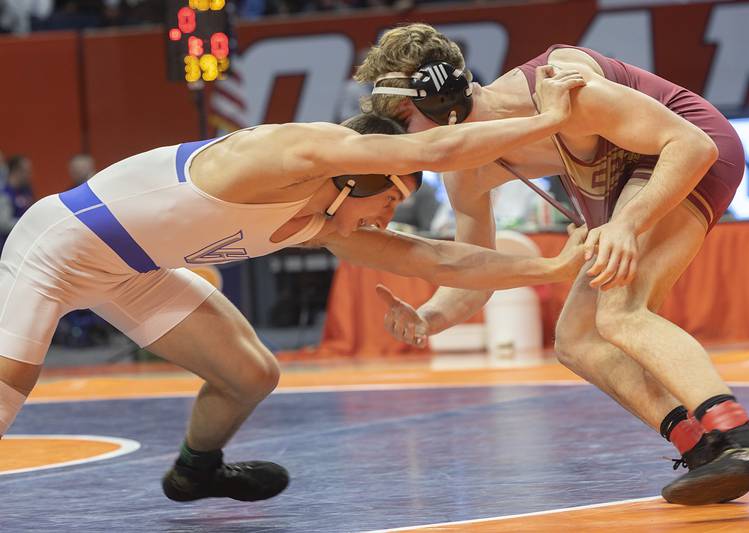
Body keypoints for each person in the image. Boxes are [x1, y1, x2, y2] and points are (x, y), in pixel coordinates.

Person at [0, 69, 588, 504]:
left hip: (134, 270)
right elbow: (433, 148)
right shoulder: (287, 152)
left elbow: (437, 259)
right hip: (59, 248)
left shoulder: (324, 219)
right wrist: (551, 121)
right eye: (389, 200)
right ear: (361, 173)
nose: (386, 217)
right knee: (13, 382)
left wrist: (552, 269)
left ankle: (195, 471)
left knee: (252, 373)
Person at [355, 23, 749, 505]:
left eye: (403, 122)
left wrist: (626, 224)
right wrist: (429, 317)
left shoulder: (561, 85)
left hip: (684, 148)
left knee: (621, 312)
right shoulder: (466, 170)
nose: (405, 146)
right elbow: (473, 270)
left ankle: (743, 441)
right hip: (624, 180)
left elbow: (692, 146)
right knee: (577, 339)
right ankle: (705, 448)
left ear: (440, 98)